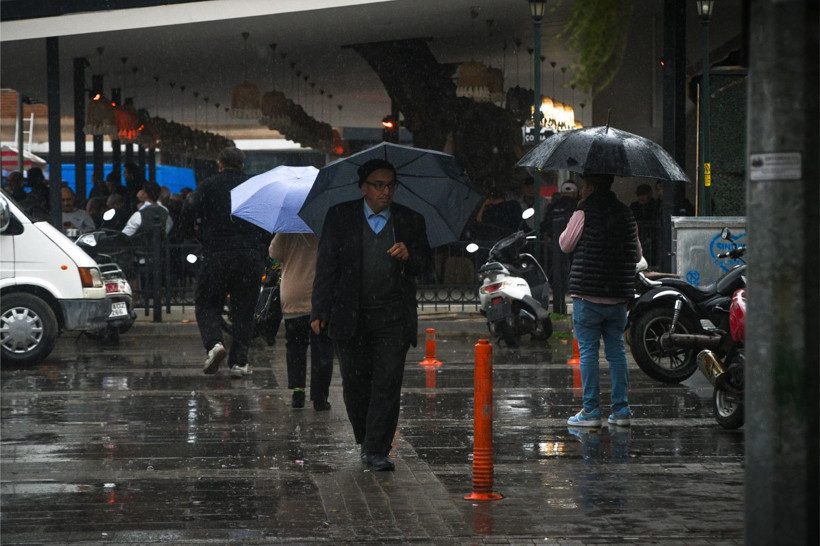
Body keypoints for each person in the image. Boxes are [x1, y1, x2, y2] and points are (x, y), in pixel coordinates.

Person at [311, 158, 430, 472]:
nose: (386, 191)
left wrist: (409, 255)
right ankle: (366, 438)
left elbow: (426, 264)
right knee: (355, 384)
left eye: (391, 185)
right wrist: (319, 310)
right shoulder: (340, 217)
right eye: (379, 185)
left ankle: (378, 448)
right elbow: (326, 267)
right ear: (363, 187)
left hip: (393, 317)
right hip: (350, 316)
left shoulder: (409, 220)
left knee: (387, 383)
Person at [559, 173, 641, 428]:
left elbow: (565, 244)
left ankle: (591, 411)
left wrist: (578, 216)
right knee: (616, 351)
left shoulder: (584, 212)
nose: (581, 190)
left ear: (591, 186)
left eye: (583, 185)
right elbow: (637, 254)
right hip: (617, 295)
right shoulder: (626, 213)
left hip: (588, 293)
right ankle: (621, 410)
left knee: (588, 354)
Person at [180, 147, 268, 378]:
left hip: (217, 254)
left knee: (207, 303)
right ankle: (239, 362)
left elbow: (187, 212)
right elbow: (267, 221)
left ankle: (214, 344)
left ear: (219, 163)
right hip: (249, 256)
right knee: (244, 310)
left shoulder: (208, 186)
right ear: (242, 163)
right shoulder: (253, 187)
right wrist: (260, 247)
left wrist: (195, 235)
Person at [269, 233, 334, 411]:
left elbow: (273, 252)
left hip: (293, 296)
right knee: (322, 349)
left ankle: (298, 392)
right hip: (318, 296)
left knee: (295, 347)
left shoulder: (286, 229)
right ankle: (320, 398)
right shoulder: (322, 227)